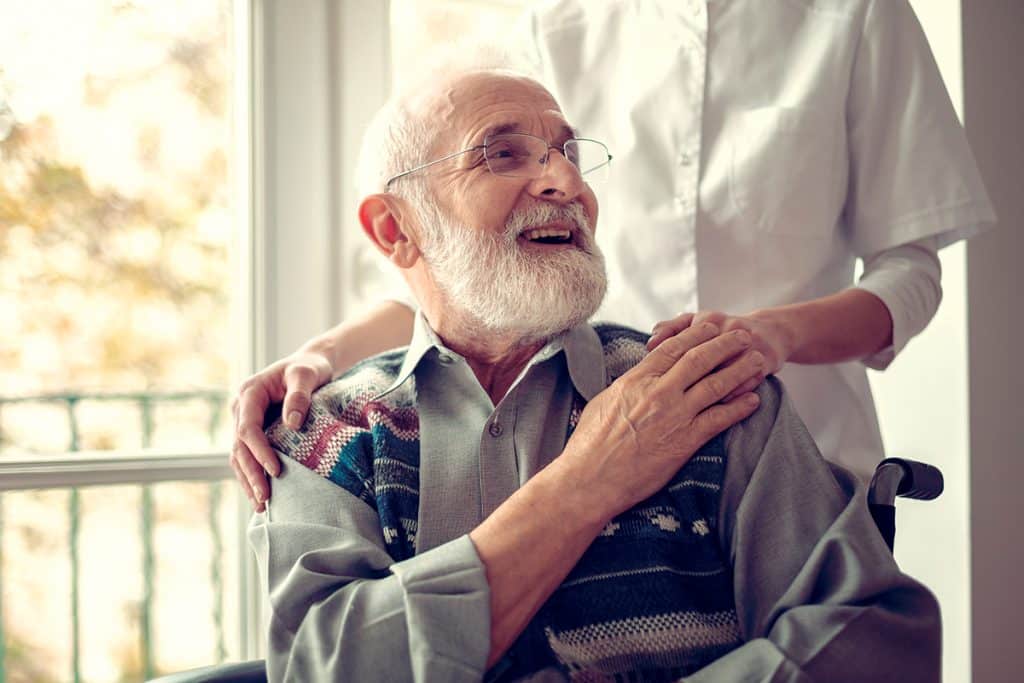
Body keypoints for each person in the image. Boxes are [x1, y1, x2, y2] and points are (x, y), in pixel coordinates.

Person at [248, 66, 940, 682]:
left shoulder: (707, 391)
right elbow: (328, 668)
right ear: (396, 230)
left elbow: (878, 645)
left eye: (570, 155)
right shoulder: (324, 435)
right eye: (502, 153)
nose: (568, 183)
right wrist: (590, 478)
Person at [230, 0, 995, 510]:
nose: (561, 177)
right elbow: (463, 267)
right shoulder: (552, 26)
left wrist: (773, 336)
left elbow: (911, 272)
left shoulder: (852, 13)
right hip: (596, 474)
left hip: (804, 465)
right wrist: (318, 355)